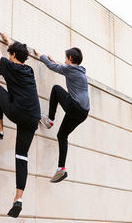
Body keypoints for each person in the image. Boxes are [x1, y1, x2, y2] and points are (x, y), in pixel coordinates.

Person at [0, 23, 40, 218]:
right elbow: (15, 52)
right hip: (33, 118)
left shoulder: (8, 66)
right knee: (21, 156)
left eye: (10, 53)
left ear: (13, 56)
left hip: (17, 112)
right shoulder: (29, 70)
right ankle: (18, 198)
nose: (8, 56)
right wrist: (9, 41)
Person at [34, 48, 90, 183]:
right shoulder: (80, 71)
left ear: (70, 58)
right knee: (62, 136)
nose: (64, 59)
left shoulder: (69, 70)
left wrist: (40, 54)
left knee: (56, 89)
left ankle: (50, 120)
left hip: (75, 107)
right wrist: (57, 62)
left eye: (65, 57)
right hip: (83, 112)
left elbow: (51, 66)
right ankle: (61, 169)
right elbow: (63, 67)